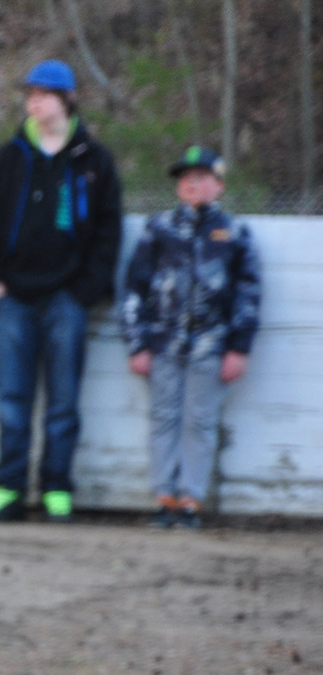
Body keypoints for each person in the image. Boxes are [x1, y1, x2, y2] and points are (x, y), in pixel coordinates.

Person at [0, 59, 122, 522]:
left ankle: (57, 488)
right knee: (12, 397)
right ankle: (9, 488)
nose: (33, 102)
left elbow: (109, 231)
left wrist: (84, 291)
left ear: (67, 99)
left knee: (63, 400)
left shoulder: (94, 161)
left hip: (67, 298)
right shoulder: (8, 157)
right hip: (13, 295)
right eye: (29, 94)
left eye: (43, 94)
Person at [119, 145, 263, 529]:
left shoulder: (234, 233)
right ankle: (163, 496)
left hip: (211, 346)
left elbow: (248, 295)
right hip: (164, 343)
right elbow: (135, 287)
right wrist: (137, 343)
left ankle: (191, 500)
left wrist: (239, 348)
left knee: (200, 421)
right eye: (185, 179)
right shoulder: (159, 229)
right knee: (164, 417)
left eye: (200, 178)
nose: (191, 184)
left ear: (218, 185)